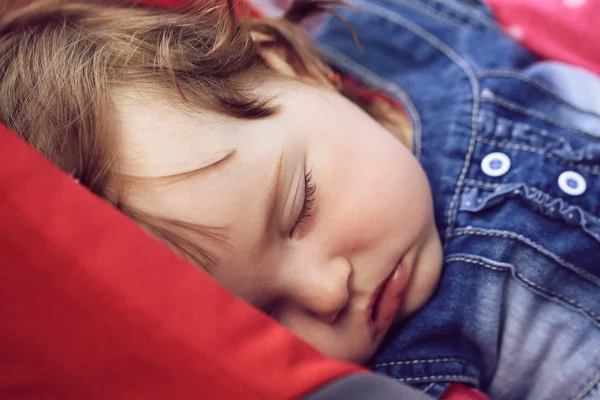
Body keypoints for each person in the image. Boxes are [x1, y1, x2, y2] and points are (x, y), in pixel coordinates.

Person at [0, 0, 598, 399]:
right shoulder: (422, 369)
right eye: (266, 316)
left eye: (300, 209)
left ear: (287, 63)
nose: (326, 292)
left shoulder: (382, 30)